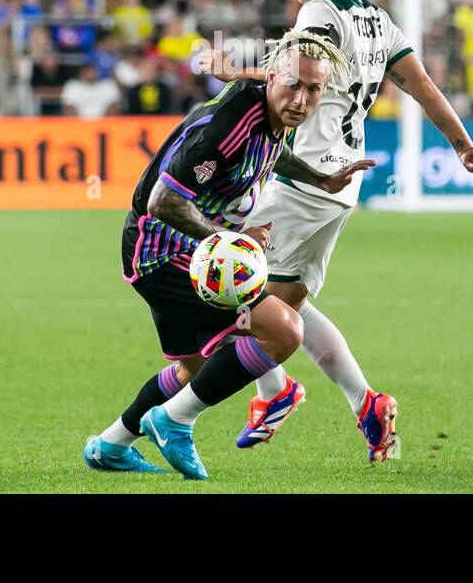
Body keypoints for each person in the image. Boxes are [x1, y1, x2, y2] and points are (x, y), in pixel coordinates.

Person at [197, 0, 473, 462]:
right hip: (341, 185)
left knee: (224, 281)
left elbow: (302, 76)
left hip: (300, 177)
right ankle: (366, 403)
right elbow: (421, 85)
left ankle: (273, 392)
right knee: (286, 304)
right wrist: (462, 144)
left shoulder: (318, 13)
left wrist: (230, 71)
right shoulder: (380, 21)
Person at [85, 31, 369, 480]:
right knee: (283, 331)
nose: (301, 99)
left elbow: (272, 155)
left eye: (313, 89)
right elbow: (164, 202)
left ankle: (109, 446)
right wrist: (230, 240)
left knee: (193, 369)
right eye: (293, 85)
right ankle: (177, 420)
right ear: (272, 77)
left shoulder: (270, 114)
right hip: (159, 250)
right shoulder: (229, 125)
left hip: (177, 249)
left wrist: (321, 179)